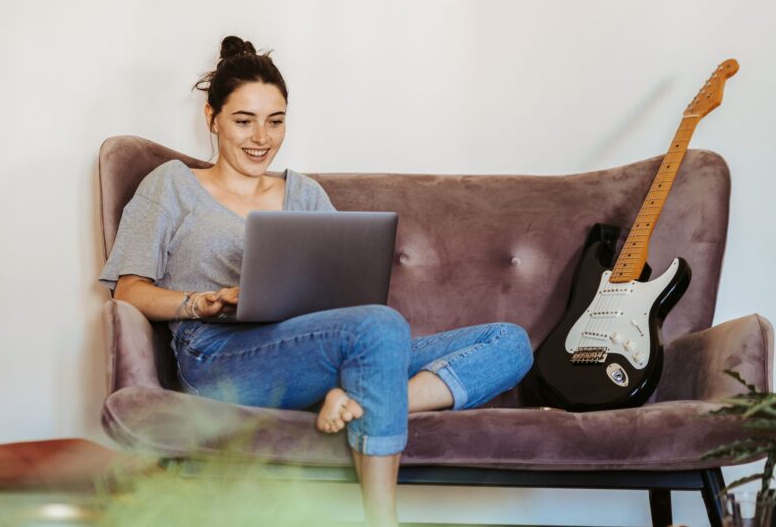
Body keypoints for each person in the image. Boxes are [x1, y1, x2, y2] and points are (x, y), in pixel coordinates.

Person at [99, 35, 533, 527]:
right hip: (218, 355)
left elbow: (343, 294)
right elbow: (128, 291)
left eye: (275, 121)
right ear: (212, 118)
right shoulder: (171, 184)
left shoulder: (304, 193)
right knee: (382, 326)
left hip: (313, 349)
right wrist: (199, 303)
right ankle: (383, 520)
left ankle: (360, 398)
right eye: (244, 121)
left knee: (509, 342)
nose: (261, 137)